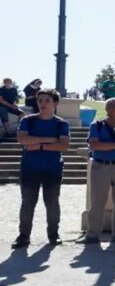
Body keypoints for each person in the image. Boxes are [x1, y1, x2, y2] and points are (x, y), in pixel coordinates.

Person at [13, 89, 69, 248]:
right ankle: (23, 236)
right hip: (29, 168)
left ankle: (53, 235)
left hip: (53, 169)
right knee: (27, 203)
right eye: (40, 101)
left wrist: (38, 145)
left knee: (52, 203)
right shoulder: (28, 121)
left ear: (55, 103)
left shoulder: (61, 123)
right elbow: (22, 139)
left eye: (47, 101)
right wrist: (50, 140)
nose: (42, 104)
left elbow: (64, 145)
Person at [84, 97, 115, 243]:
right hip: (101, 165)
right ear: (108, 109)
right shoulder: (96, 125)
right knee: (97, 201)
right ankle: (92, 234)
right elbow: (95, 146)